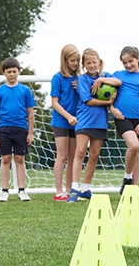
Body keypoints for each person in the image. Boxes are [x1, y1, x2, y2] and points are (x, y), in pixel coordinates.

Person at [67, 48, 122, 202]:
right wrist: (108, 102)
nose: (92, 65)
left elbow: (118, 82)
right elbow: (88, 100)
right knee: (80, 151)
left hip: (100, 122)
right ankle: (74, 188)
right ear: (84, 65)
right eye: (88, 63)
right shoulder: (82, 80)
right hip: (84, 119)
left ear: (99, 62)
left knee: (94, 155)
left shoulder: (105, 76)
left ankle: (85, 189)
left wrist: (101, 80)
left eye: (94, 62)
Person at [110, 46, 139, 195]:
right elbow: (108, 95)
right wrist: (112, 109)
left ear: (138, 59)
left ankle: (133, 189)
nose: (128, 65)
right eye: (125, 62)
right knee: (134, 146)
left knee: (137, 153)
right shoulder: (117, 75)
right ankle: (127, 178)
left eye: (131, 61)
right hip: (122, 117)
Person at [0, 57, 36, 202]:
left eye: (14, 71)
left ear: (19, 72)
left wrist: (30, 133)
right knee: (5, 159)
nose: (12, 74)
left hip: (21, 128)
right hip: (3, 128)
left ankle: (22, 190)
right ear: (4, 73)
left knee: (20, 158)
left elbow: (30, 113)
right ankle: (4, 191)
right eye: (9, 72)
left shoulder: (25, 90)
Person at [51, 44, 80, 201]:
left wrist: (80, 88)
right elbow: (54, 102)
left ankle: (70, 190)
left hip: (77, 123)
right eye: (72, 60)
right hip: (61, 121)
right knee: (61, 156)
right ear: (65, 60)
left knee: (73, 157)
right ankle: (59, 191)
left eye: (77, 60)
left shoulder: (80, 79)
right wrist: (68, 116)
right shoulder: (57, 78)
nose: (75, 63)